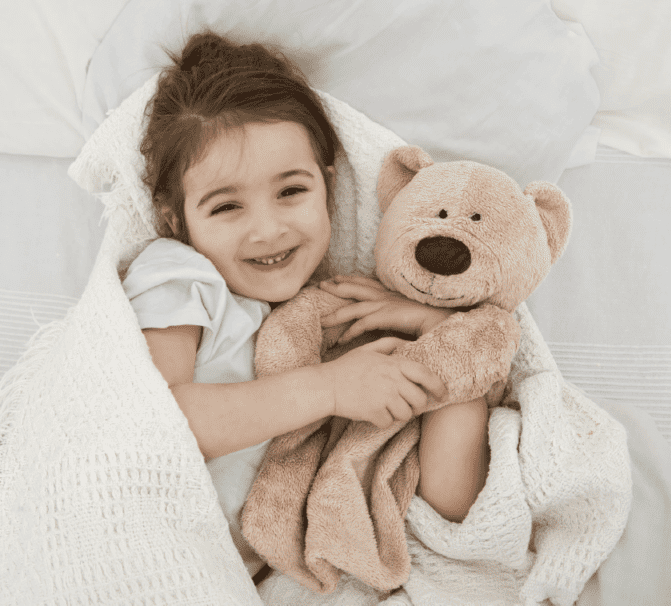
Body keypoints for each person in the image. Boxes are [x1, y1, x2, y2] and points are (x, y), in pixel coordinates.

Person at [121, 31, 491, 581]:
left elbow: (452, 502)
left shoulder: (339, 315)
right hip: (149, 547)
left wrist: (448, 339)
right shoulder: (181, 276)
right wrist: (331, 388)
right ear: (176, 219)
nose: (267, 230)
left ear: (329, 186)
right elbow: (155, 423)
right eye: (226, 206)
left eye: (291, 192)